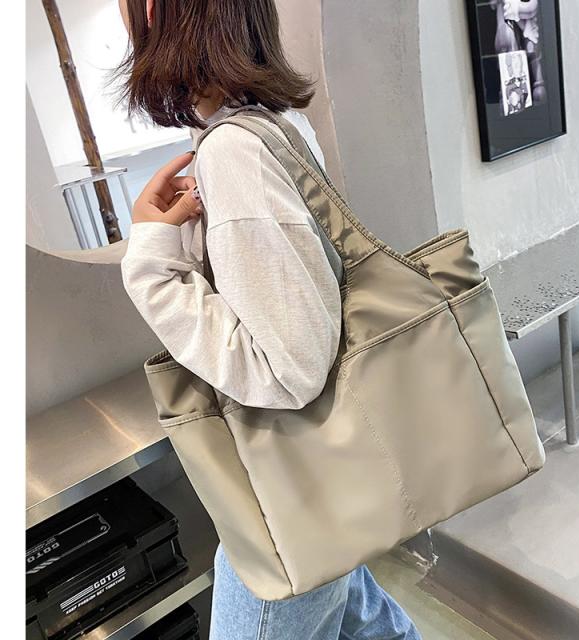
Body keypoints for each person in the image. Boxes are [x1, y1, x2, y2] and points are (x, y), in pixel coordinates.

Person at [116, 0, 422, 638]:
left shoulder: (234, 151)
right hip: (324, 476)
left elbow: (290, 373)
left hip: (291, 494)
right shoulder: (273, 124)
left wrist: (153, 265)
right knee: (367, 625)